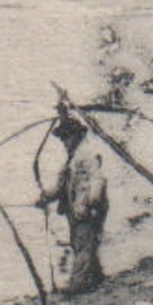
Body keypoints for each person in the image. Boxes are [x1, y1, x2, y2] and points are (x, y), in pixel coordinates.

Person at [38, 102, 110, 294]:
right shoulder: (69, 160)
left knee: (83, 245)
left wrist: (92, 202)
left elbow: (98, 178)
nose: (65, 142)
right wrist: (46, 197)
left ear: (77, 136)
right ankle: (96, 277)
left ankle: (76, 285)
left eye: (67, 137)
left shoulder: (87, 155)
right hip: (75, 209)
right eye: (63, 138)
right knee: (82, 243)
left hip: (87, 208)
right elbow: (61, 186)